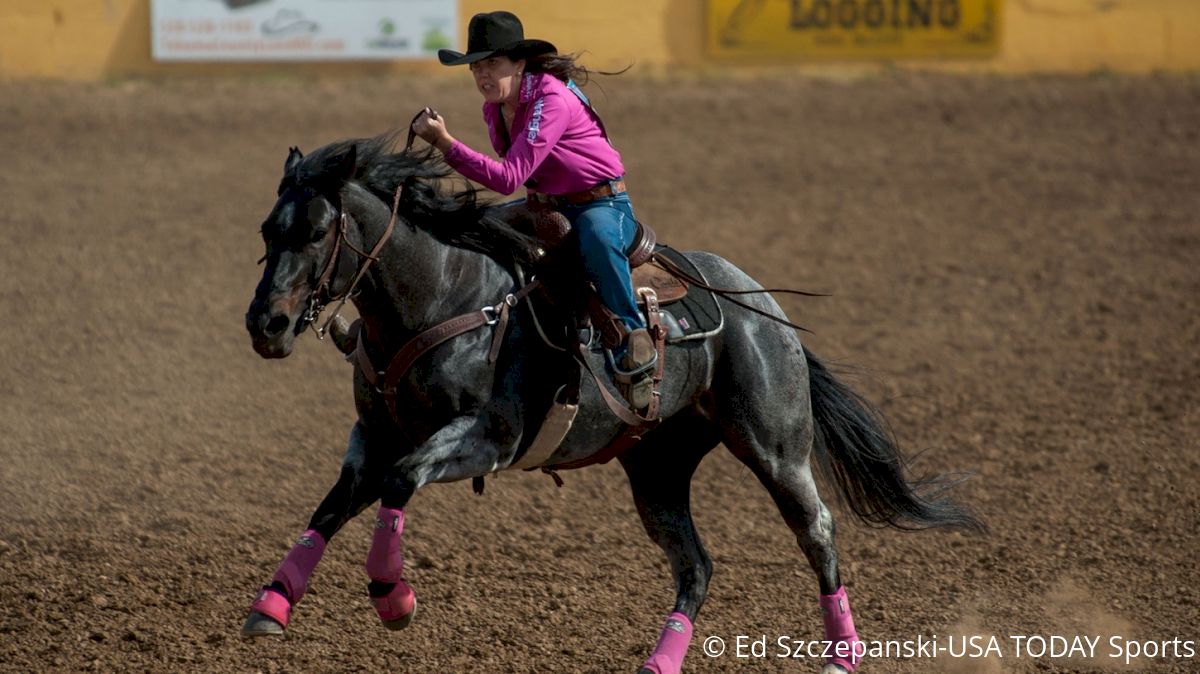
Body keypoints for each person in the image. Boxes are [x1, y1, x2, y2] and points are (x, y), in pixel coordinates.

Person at [412, 10, 655, 410]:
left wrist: (444, 143)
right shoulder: (495, 108)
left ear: (520, 63)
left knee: (597, 238)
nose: (482, 75)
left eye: (493, 63)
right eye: (476, 66)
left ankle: (633, 343)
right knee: (471, 227)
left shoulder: (551, 98)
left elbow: (509, 177)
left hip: (603, 204)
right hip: (545, 206)